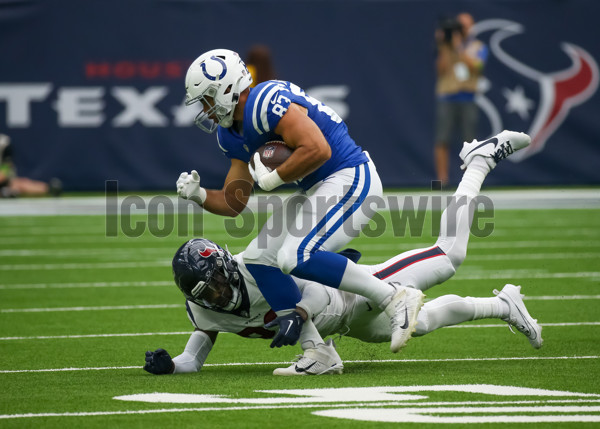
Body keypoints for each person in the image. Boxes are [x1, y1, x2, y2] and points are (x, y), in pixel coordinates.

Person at [145, 132, 541, 376]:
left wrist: (299, 318)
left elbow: (314, 295)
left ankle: (478, 164)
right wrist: (171, 366)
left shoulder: (257, 267)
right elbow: (194, 357)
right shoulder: (204, 310)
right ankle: (504, 305)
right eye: (206, 292)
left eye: (214, 282)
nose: (216, 294)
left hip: (353, 294)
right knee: (418, 325)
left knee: (448, 255)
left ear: (224, 264)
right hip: (349, 326)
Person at [176, 48, 427, 353]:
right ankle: (316, 352)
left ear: (227, 88)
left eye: (207, 99)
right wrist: (199, 195)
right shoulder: (230, 134)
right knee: (259, 258)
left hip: (349, 174)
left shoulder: (264, 101)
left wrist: (273, 178)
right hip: (317, 187)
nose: (206, 109)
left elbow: (319, 149)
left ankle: (394, 297)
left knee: (295, 256)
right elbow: (234, 202)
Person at [434, 13, 488, 186]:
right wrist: (443, 45)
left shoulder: (477, 46)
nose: (461, 30)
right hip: (447, 96)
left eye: (465, 26)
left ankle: (469, 181)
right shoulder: (446, 47)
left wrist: (459, 47)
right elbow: (440, 70)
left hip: (468, 97)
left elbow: (477, 66)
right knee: (442, 138)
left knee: (470, 141)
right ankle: (442, 180)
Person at [0, 133, 62, 198]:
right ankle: (6, 193)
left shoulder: (3, 142)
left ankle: (50, 189)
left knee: (18, 184)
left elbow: (5, 171)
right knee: (13, 187)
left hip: (4, 180)